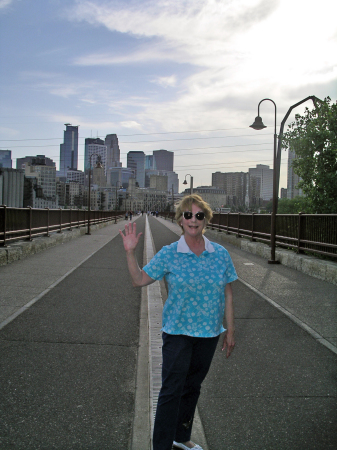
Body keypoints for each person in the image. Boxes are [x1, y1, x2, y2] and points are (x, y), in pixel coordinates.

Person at [119, 194, 237, 450]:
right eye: (187, 215)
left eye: (199, 215)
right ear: (180, 220)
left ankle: (180, 438)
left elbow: (227, 292)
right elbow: (139, 280)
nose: (193, 220)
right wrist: (130, 253)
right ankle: (161, 445)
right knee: (172, 390)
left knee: (192, 387)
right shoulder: (170, 254)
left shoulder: (220, 254)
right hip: (177, 332)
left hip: (208, 333)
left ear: (205, 219)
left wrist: (230, 330)